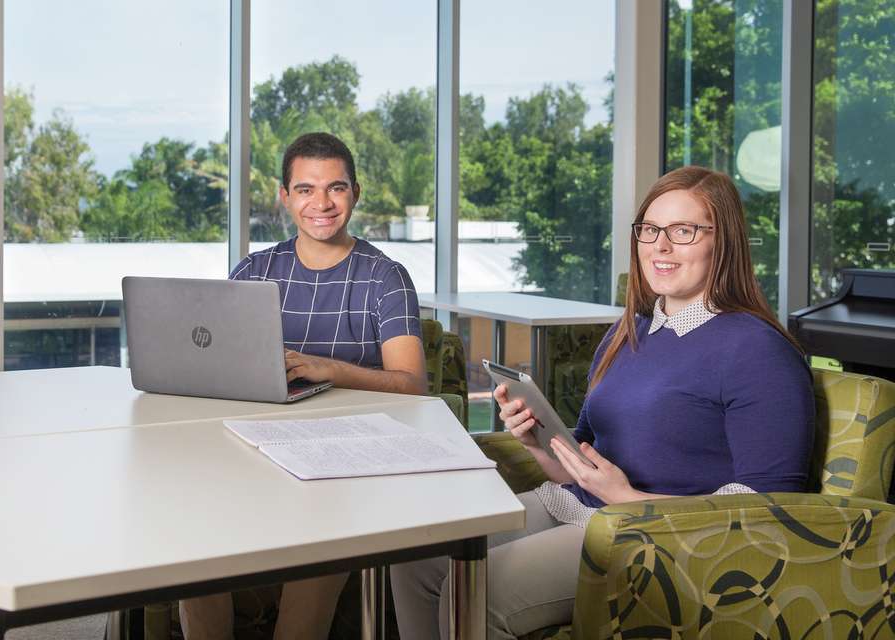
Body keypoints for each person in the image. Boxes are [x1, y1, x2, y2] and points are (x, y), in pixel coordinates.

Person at [390, 166, 815, 640]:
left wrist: (629, 499)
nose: (660, 246)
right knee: (417, 555)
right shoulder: (628, 331)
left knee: (475, 592)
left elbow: (771, 510)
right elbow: (584, 462)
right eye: (650, 230)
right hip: (579, 507)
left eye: (683, 231)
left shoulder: (757, 350)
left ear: (725, 241)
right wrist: (539, 443)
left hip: (659, 536)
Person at [179, 132, 427, 640]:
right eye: (306, 189)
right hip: (257, 449)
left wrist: (329, 369)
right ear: (284, 196)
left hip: (349, 457)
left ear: (355, 193)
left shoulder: (386, 277)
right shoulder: (254, 271)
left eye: (335, 188)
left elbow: (412, 386)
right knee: (193, 536)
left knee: (324, 537)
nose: (321, 203)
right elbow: (220, 367)